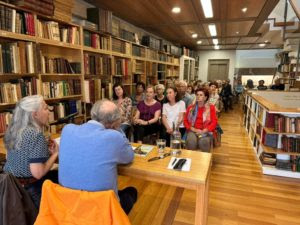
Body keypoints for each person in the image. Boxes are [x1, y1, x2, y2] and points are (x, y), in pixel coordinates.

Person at [59, 99, 137, 215]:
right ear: (114, 122)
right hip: (101, 211)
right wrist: (118, 129)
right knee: (131, 192)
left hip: (69, 206)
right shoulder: (114, 136)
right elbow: (129, 156)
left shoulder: (67, 129)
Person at [3, 95, 59, 208]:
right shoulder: (35, 134)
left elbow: (14, 157)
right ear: (35, 114)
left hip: (10, 185)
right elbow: (38, 173)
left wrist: (43, 151)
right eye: (45, 108)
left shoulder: (14, 130)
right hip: (29, 190)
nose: (49, 112)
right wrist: (56, 154)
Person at [184, 88, 218, 152]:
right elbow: (185, 121)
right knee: (191, 142)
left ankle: (204, 160)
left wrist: (205, 130)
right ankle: (193, 159)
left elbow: (214, 122)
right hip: (193, 130)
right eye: (197, 95)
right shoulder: (191, 108)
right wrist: (193, 129)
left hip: (206, 130)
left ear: (205, 98)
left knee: (203, 142)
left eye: (201, 95)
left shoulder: (211, 108)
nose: (198, 96)